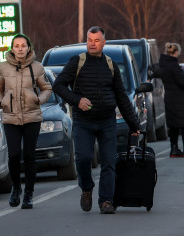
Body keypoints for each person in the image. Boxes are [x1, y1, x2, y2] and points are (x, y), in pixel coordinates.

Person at [52, 26, 140, 214]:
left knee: (108, 161)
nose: (92, 43)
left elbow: (122, 97)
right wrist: (77, 101)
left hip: (107, 121)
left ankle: (106, 201)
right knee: (83, 159)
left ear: (103, 43)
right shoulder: (77, 62)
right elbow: (58, 85)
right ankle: (86, 188)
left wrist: (134, 125)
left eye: (96, 40)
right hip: (83, 122)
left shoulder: (111, 65)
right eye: (89, 40)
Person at [0, 33, 52, 209]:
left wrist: (38, 99)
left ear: (28, 48)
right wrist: (0, 101)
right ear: (12, 48)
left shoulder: (37, 67)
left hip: (32, 116)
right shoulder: (3, 67)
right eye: (16, 46)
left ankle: (29, 194)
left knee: (29, 156)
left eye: (23, 46)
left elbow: (47, 88)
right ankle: (16, 188)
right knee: (14, 155)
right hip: (10, 117)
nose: (20, 49)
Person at [151, 43, 184, 158]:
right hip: (180, 99)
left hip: (169, 98)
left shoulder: (162, 66)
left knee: (173, 125)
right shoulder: (174, 66)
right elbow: (181, 82)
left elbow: (156, 73)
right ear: (176, 52)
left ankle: (174, 149)